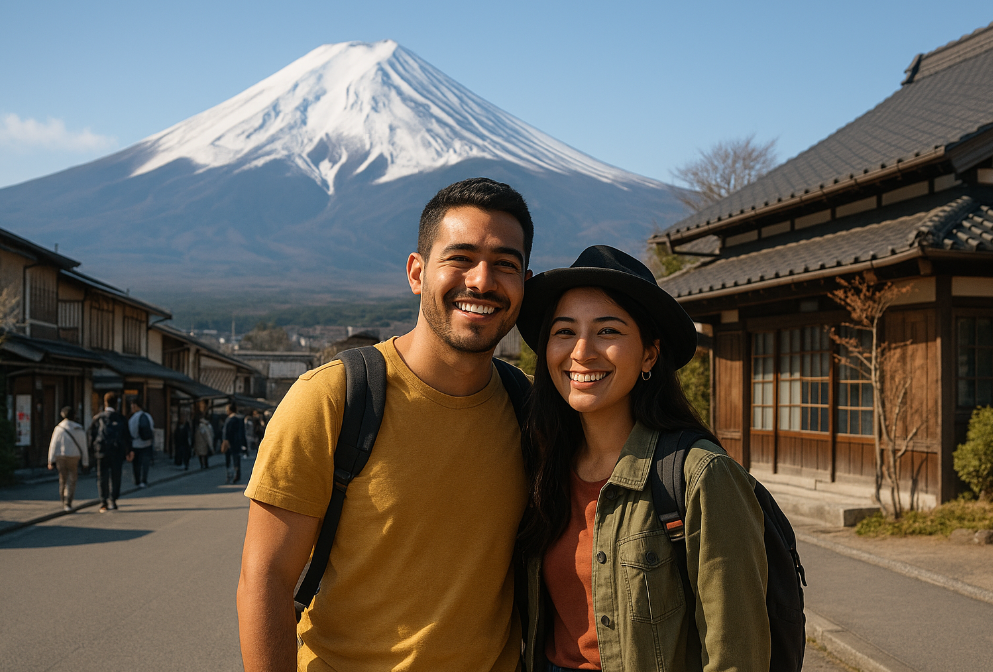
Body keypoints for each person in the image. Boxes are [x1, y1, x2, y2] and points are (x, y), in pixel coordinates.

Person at [237, 177, 534, 672]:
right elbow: (265, 579)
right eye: (460, 258)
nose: (482, 281)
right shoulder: (332, 398)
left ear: (526, 282)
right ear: (417, 272)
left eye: (506, 264)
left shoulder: (530, 408)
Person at [515, 245, 770, 672]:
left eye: (608, 331)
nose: (582, 351)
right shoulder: (542, 466)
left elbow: (736, 655)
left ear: (649, 353)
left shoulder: (700, 475)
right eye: (564, 331)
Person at [88, 392, 134, 512]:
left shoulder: (98, 418)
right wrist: (129, 450)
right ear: (116, 404)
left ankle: (103, 502)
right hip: (117, 451)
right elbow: (127, 436)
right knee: (116, 476)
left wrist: (91, 452)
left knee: (102, 476)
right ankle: (113, 500)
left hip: (102, 451)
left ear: (105, 403)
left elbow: (91, 435)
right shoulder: (121, 418)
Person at [47, 406, 89, 511]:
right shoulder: (78, 429)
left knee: (63, 479)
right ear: (74, 415)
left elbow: (53, 445)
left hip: (60, 456)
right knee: (72, 479)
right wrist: (85, 461)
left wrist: (50, 460)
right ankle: (68, 501)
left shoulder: (58, 428)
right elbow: (83, 446)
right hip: (74, 456)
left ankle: (63, 499)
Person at [127, 397, 154, 487]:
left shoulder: (133, 418)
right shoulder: (148, 416)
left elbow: (132, 432)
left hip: (136, 444)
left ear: (135, 406)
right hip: (147, 443)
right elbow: (152, 429)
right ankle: (144, 480)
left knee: (136, 464)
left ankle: (137, 480)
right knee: (145, 463)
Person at [221, 403, 246, 484]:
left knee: (229, 460)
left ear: (230, 410)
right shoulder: (240, 419)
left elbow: (226, 432)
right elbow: (242, 433)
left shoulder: (229, 420)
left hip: (229, 443)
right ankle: (237, 474)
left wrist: (225, 441)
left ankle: (230, 475)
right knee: (236, 459)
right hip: (237, 443)